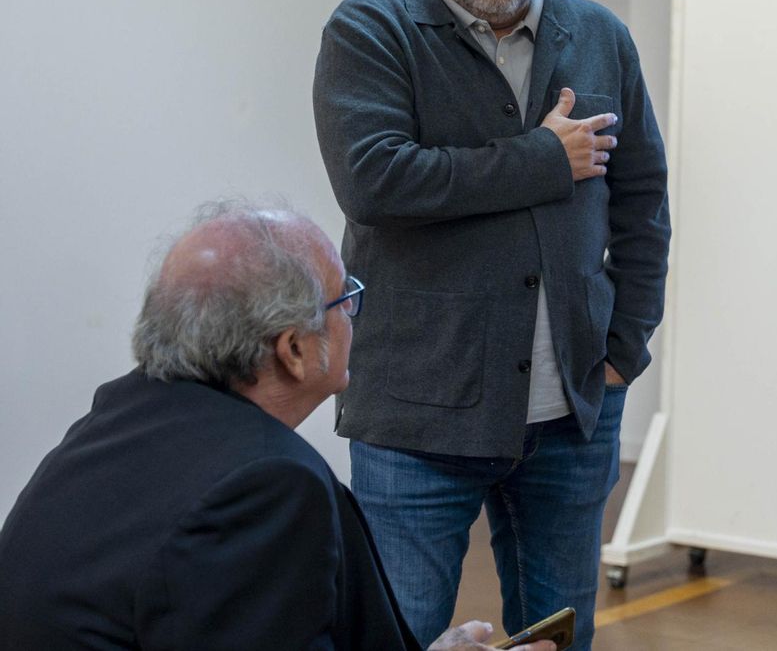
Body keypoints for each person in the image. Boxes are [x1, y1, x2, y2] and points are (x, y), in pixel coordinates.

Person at [312, 0, 670, 650]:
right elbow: (377, 181)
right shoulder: (372, 29)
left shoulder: (600, 36)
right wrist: (545, 159)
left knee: (556, 638)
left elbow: (643, 199)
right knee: (401, 635)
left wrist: (626, 345)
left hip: (572, 411)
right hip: (418, 418)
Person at [0, 201, 550, 651]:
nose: (355, 317)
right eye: (346, 299)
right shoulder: (264, 488)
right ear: (293, 349)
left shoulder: (115, 419)